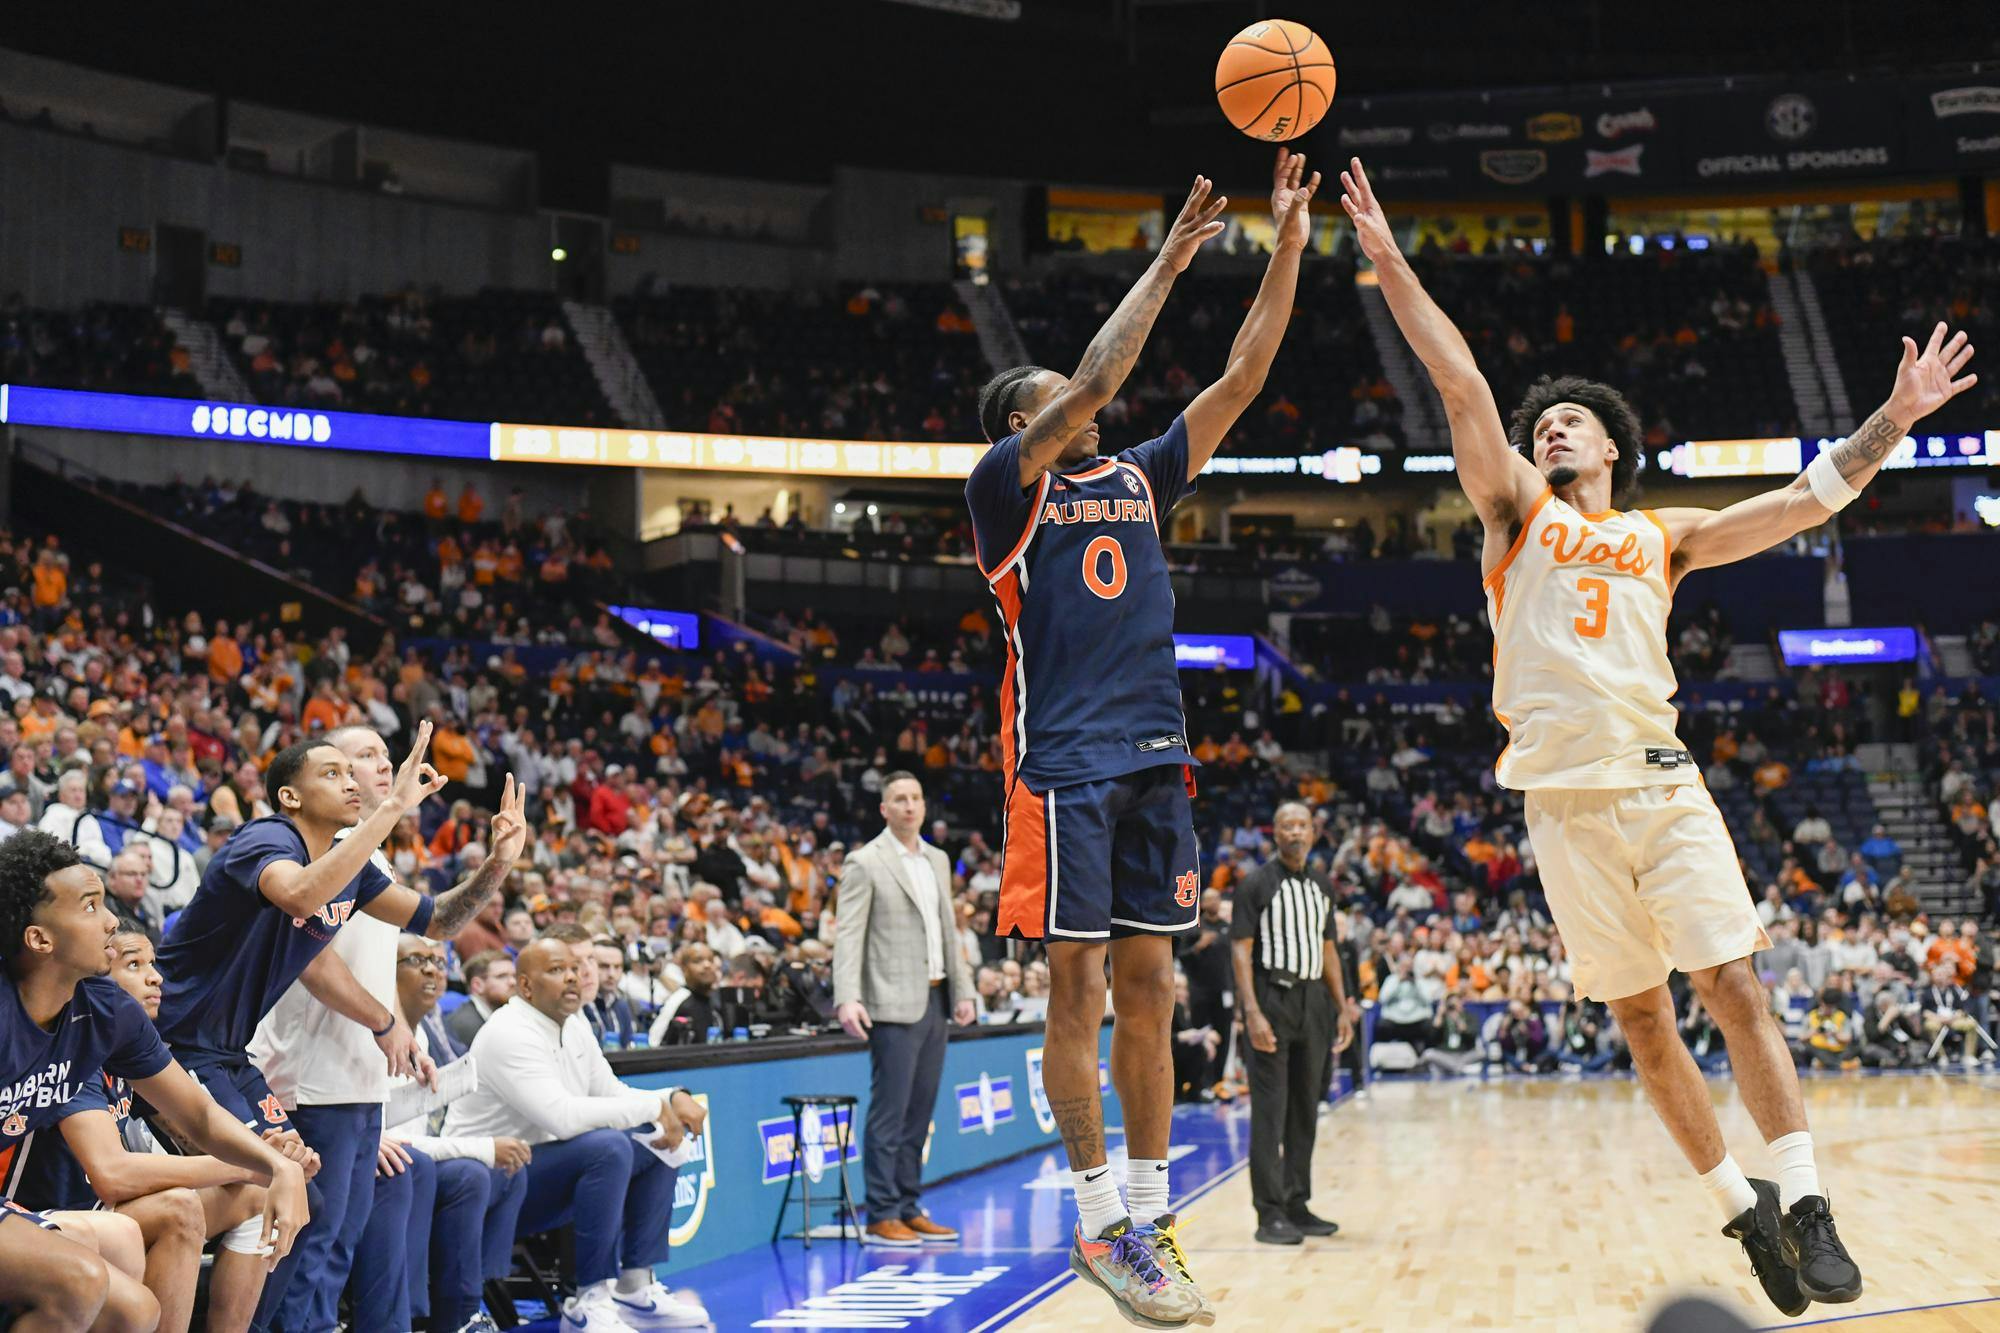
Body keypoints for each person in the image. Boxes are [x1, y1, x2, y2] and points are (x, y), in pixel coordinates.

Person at [1343, 157, 1974, 1316]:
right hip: (1558, 801)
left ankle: (1805, 1200)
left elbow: (1796, 505)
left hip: (1658, 781)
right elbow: (1465, 386)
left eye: (1569, 420)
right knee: (1639, 1020)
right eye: (1542, 426)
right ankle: (1745, 1215)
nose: (1548, 430)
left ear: (1611, 448)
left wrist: (1892, 417)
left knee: (1730, 983)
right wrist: (1387, 261)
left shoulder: (1658, 536)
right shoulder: (1510, 518)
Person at [963, 151, 1321, 1329]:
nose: (1087, 399)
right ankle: (1093, 1210)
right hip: (1061, 766)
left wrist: (1282, 245)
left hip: (1155, 760)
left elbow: (1241, 375)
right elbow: (1100, 374)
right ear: (1023, 425)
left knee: (1154, 984)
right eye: (1058, 395)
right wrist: (1168, 257)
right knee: (1076, 988)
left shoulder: (1138, 473)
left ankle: (1149, 1218)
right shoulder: (1005, 493)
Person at [152, 725, 520, 1330]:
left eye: (353, 774)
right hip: (171, 1045)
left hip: (226, 1052)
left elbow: (440, 919)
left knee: (307, 1203)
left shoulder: (356, 867)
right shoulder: (265, 839)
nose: (350, 781)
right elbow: (298, 896)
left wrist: (497, 865)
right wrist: (394, 808)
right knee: (271, 1190)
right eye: (334, 772)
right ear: (290, 796)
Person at [0, 831, 312, 1328]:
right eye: (89, 907)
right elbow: (113, 1171)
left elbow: (201, 1115)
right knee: (80, 1277)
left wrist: (278, 1166)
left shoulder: (106, 1012)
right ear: (39, 940)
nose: (109, 921)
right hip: (37, 1203)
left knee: (138, 1310)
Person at [10, 928, 277, 1333]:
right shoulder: (74, 1046)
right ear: (99, 985)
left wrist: (271, 1154)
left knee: (255, 1196)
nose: (156, 977)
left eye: (153, 964)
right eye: (134, 965)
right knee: (180, 1209)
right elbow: (114, 1176)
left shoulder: (137, 1051)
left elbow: (197, 1125)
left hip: (100, 1209)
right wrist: (244, 1165)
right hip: (46, 1210)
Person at [444, 938, 710, 1330]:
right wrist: (656, 1107)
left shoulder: (574, 1024)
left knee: (655, 1142)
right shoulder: (509, 1032)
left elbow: (612, 1092)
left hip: (539, 1170)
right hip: (489, 1183)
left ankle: (635, 1289)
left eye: (573, 968)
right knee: (607, 1147)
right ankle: (590, 1300)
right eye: (555, 970)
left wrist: (671, 1098)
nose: (571, 977)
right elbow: (562, 1118)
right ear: (525, 986)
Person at [352, 933, 531, 1333]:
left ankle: (465, 1310)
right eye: (416, 961)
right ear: (385, 970)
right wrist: (481, 1146)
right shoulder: (369, 1029)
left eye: (437, 961)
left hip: (411, 1159)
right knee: (433, 1168)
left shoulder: (425, 1035)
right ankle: (417, 1318)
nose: (432, 970)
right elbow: (390, 1138)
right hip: (372, 1158)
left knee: (481, 1173)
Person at [831, 772, 976, 1245]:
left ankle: (910, 1205)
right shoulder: (865, 862)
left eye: (916, 797)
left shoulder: (937, 858)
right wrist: (847, 996)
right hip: (890, 1002)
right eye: (900, 799)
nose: (910, 805)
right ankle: (883, 1211)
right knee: (890, 1114)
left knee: (920, 1112)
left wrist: (965, 990)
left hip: (936, 997)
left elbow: (947, 931)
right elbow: (848, 934)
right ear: (884, 809)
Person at [1230, 801, 1354, 1245]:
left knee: (1305, 1107)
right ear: (1275, 833)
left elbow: (1328, 950)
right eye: (1287, 826)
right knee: (1270, 1111)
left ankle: (1297, 1202)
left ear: (1313, 832)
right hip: (1272, 999)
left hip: (1314, 1003)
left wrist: (1342, 1006)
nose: (1295, 832)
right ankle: (1269, 1213)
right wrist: (1252, 1012)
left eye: (1302, 825)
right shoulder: (1256, 885)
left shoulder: (1322, 884)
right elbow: (1241, 951)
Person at [648, 942, 720, 1046]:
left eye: (710, 960)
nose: (707, 965)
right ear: (684, 968)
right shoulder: (679, 999)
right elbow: (653, 1043)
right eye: (698, 961)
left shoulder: (713, 1000)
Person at [449, 949, 518, 1047]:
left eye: (514, 976)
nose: (513, 982)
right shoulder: (466, 1025)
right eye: (502, 976)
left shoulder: (500, 1017)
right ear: (478, 985)